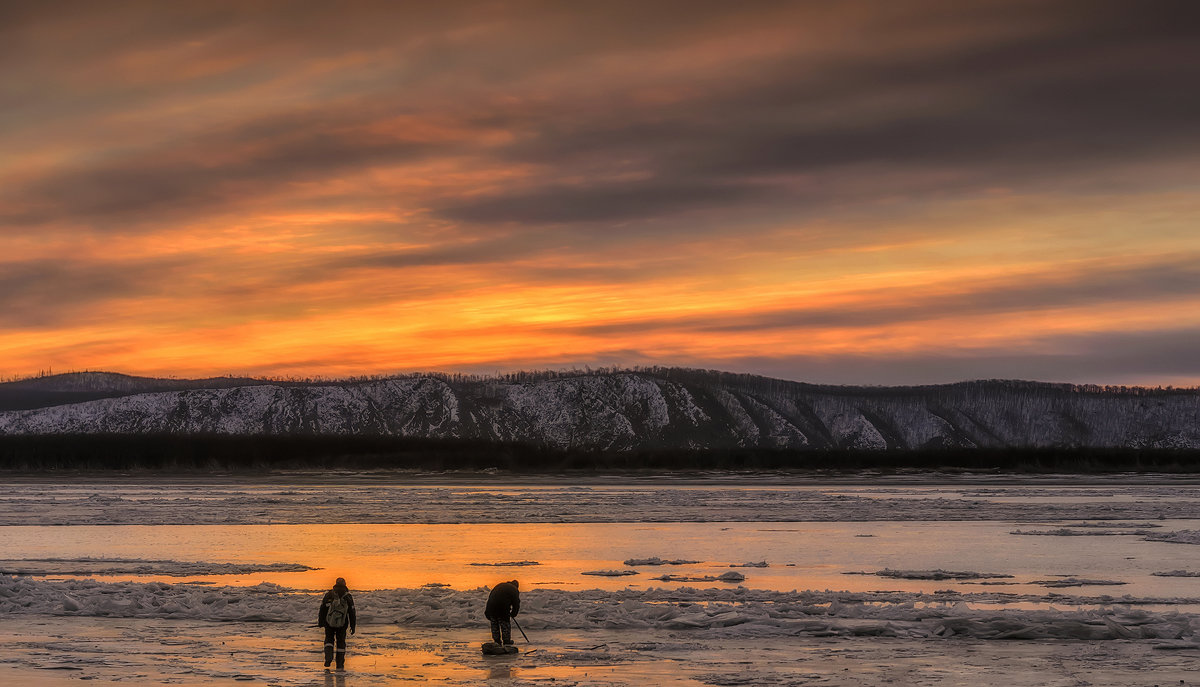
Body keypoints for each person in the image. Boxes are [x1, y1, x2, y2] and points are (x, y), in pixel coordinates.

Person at [317, 577, 357, 669]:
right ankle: (339, 664)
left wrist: (321, 622)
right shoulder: (348, 596)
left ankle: (328, 657)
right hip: (342, 624)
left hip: (329, 622)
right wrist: (353, 626)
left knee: (329, 639)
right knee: (341, 643)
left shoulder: (329, 594)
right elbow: (352, 612)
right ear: (345, 584)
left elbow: (322, 609)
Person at [484, 579, 520, 645]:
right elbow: (516, 604)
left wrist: (487, 611)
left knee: (494, 623)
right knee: (505, 624)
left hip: (492, 607)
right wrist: (513, 613)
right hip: (503, 608)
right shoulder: (514, 589)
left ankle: (497, 641)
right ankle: (506, 641)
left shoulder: (500, 585)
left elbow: (490, 598)